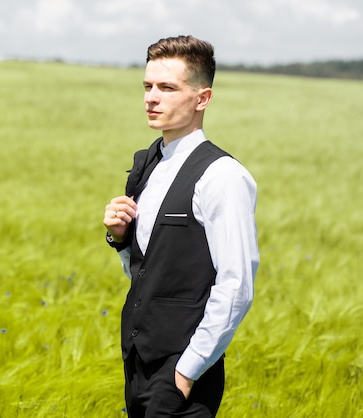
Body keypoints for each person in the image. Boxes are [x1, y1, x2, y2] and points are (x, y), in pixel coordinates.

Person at [103, 35, 259, 417]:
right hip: (138, 365)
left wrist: (187, 373)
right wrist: (120, 240)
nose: (151, 98)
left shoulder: (222, 177)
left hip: (183, 373)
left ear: (201, 98)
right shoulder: (148, 166)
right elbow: (147, 274)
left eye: (167, 88)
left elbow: (236, 284)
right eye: (147, 86)